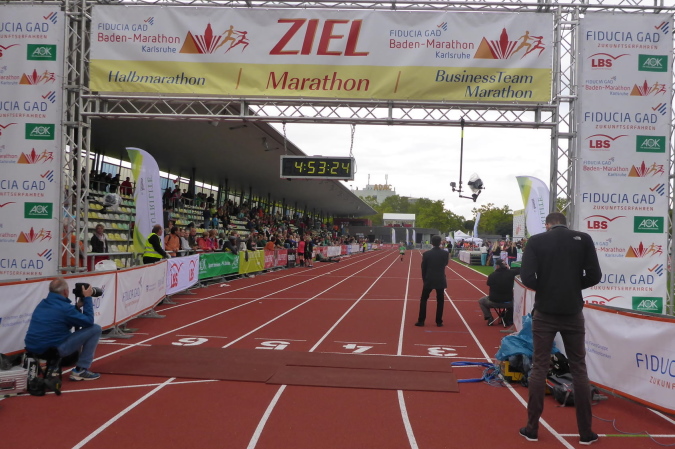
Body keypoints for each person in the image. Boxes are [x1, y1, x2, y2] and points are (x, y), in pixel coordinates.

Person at [518, 212, 602, 446]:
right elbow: (595, 275)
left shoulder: (536, 241)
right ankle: (586, 432)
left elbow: (527, 276)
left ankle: (532, 428)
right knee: (579, 369)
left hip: (545, 311)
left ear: (547, 225)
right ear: (566, 224)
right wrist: (572, 286)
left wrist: (546, 288)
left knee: (539, 367)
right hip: (573, 311)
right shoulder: (583, 239)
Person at [24, 278, 102, 381]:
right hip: (52, 351)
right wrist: (87, 298)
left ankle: (53, 366)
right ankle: (81, 370)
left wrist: (77, 307)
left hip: (32, 347)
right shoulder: (66, 308)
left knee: (58, 333)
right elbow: (89, 322)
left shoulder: (42, 304)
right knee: (96, 329)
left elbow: (60, 316)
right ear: (65, 291)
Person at [415, 235, 449, 327]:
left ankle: (421, 321)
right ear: (440, 242)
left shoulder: (426, 254)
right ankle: (439, 321)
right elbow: (445, 264)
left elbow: (423, 268)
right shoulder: (445, 253)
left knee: (423, 299)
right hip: (440, 279)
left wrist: (424, 279)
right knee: (440, 301)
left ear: (432, 243)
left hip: (429, 279)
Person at [478, 258, 519, 326]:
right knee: (516, 302)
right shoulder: (511, 273)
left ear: (497, 266)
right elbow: (520, 270)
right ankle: (507, 318)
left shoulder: (492, 275)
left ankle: (489, 317)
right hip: (508, 302)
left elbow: (488, 283)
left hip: (494, 301)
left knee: (481, 301)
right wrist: (509, 268)